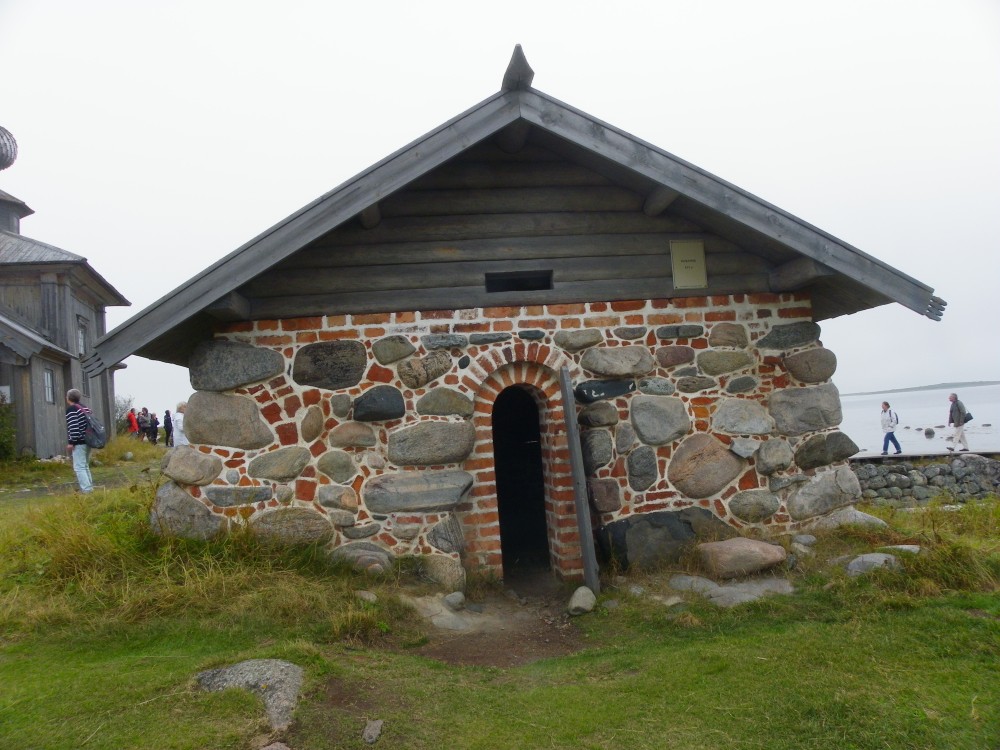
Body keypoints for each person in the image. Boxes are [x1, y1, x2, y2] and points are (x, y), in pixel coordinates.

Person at [65, 388, 94, 493]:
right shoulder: (85, 408)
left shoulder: (72, 409)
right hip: (88, 440)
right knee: (85, 465)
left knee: (79, 467)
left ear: (68, 398)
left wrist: (71, 442)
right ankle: (89, 489)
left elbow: (74, 427)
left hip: (79, 441)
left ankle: (87, 491)